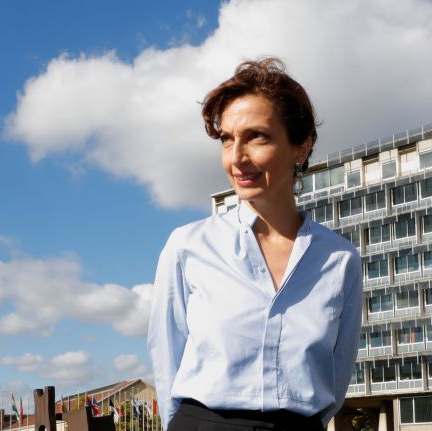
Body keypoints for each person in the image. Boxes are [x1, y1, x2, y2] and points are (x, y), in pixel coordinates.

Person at [147, 57, 363, 431]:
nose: (236, 158)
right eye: (227, 139)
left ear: (300, 147)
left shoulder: (340, 259)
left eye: (256, 137)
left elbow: (337, 372)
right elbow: (166, 356)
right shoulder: (187, 246)